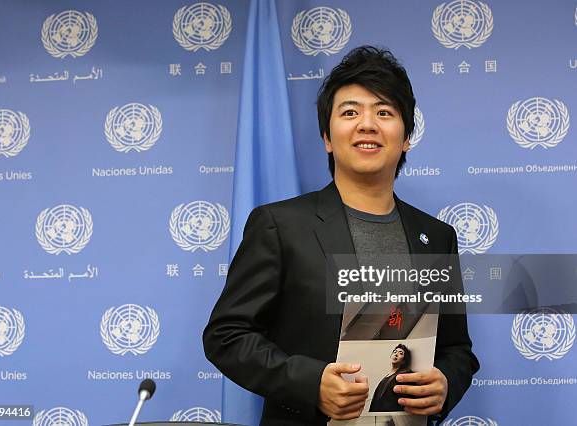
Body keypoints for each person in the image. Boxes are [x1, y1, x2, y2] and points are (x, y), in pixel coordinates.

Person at [203, 45, 479, 426]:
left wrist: (445, 382)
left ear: (406, 137)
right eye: (350, 112)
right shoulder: (280, 225)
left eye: (384, 112)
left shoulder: (436, 236)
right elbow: (226, 335)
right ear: (327, 139)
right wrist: (312, 383)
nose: (367, 125)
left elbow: (456, 348)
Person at [369, 344, 414, 413]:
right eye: (395, 352)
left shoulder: (404, 374)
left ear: (403, 361)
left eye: (400, 353)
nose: (396, 354)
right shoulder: (386, 377)